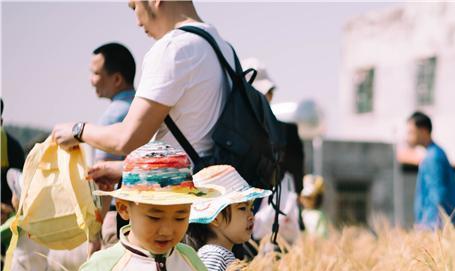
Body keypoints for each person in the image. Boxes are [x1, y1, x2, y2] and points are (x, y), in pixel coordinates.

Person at [51, 1, 236, 185]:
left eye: (134, 7)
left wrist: (78, 131)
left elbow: (127, 139)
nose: (138, 22)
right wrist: (125, 169)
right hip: (215, 191)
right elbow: (199, 137)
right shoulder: (223, 47)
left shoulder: (174, 47)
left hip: (179, 201)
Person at [59, 142, 214, 271]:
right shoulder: (104, 266)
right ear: (123, 209)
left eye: (180, 217)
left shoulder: (191, 260)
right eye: (154, 217)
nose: (167, 230)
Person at [185, 164, 264, 271]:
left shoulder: (223, 255)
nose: (251, 216)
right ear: (215, 218)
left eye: (251, 208)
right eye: (242, 208)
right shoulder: (214, 256)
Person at [243, 58, 304, 245]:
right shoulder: (287, 132)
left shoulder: (229, 132)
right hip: (272, 219)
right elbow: (298, 180)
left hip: (266, 218)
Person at [90, 42, 137, 245]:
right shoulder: (143, 108)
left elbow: (103, 180)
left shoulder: (112, 117)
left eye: (96, 73)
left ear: (116, 79)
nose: (91, 81)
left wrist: (94, 234)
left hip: (117, 217)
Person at [406, 111, 455, 230]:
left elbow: (437, 195)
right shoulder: (436, 153)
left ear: (423, 131)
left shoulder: (433, 158)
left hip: (434, 227)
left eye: (411, 132)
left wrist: (427, 226)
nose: (407, 137)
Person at [299, 175, 331, 239]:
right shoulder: (301, 213)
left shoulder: (320, 215)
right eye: (304, 197)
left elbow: (323, 236)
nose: (305, 200)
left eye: (309, 198)